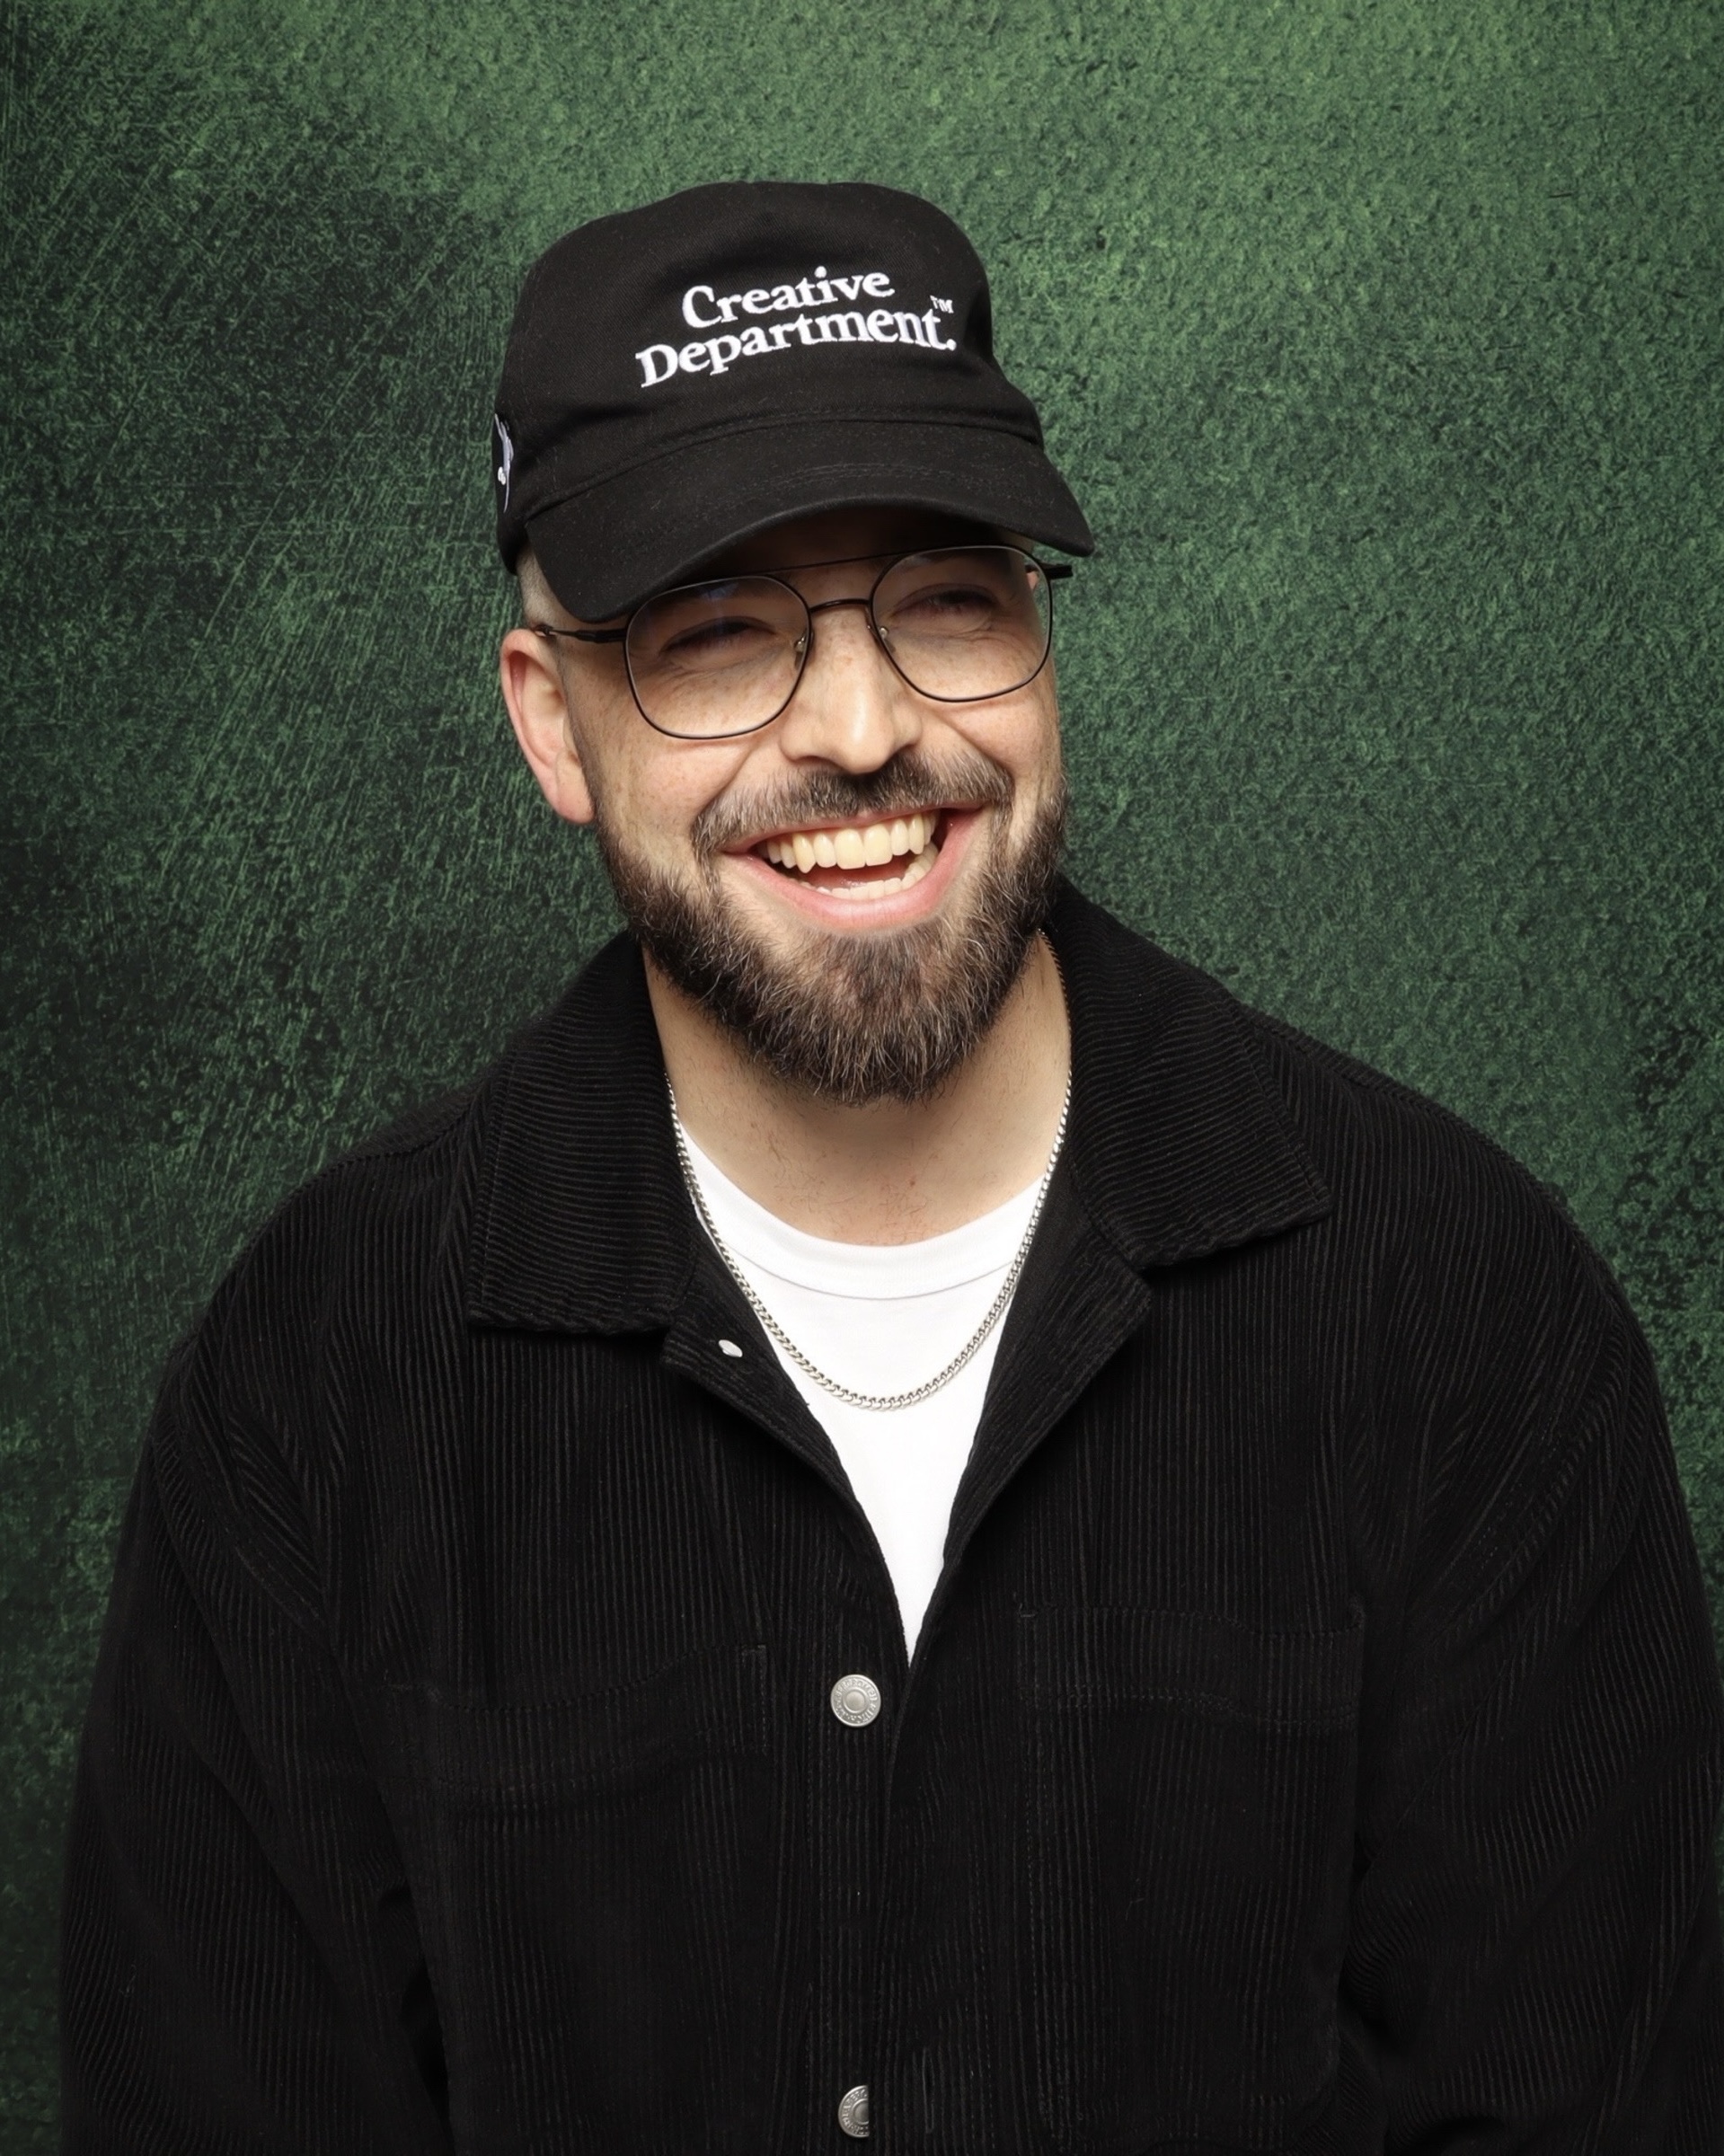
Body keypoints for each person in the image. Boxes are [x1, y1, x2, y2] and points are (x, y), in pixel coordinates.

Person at [62, 180, 1723, 2154]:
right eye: (712, 633)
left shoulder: (1462, 1315)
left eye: (947, 597)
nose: (862, 731)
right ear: (554, 723)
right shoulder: (321, 1384)